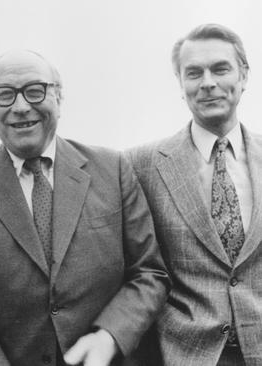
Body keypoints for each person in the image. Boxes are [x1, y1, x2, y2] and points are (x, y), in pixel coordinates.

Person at [0, 49, 170, 366]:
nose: (20, 107)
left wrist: (107, 337)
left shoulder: (112, 169)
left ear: (59, 97)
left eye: (35, 90)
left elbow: (149, 273)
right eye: (5, 95)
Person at [128, 24, 262, 366]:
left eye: (220, 69)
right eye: (194, 73)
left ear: (244, 76)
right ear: (181, 83)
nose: (207, 83)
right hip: (187, 355)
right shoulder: (141, 165)